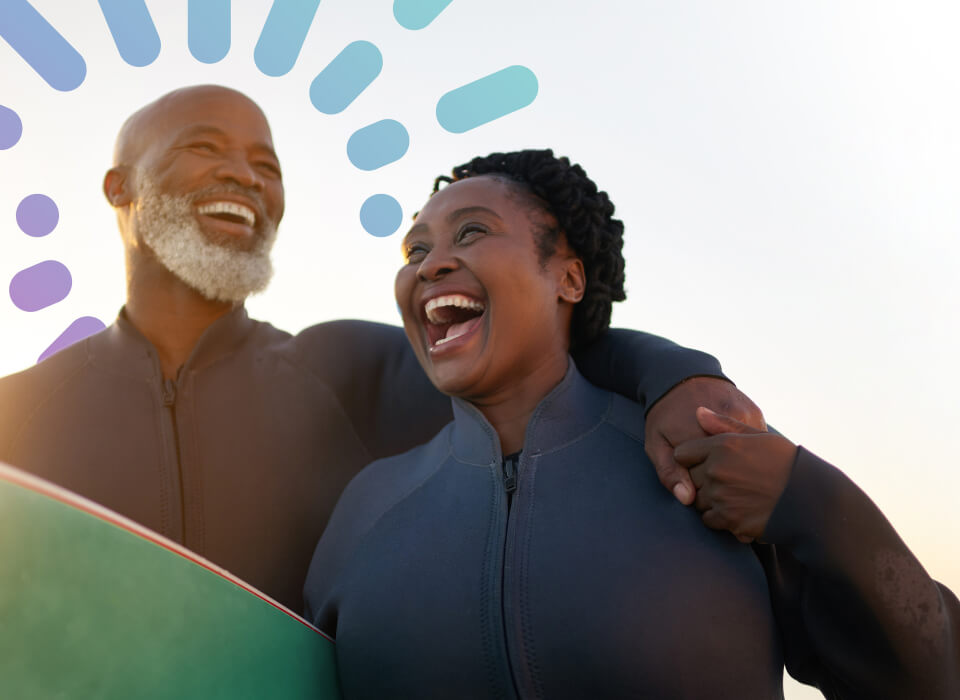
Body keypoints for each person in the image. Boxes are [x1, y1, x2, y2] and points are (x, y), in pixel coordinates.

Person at [0, 86, 759, 613]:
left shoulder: (344, 370)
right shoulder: (18, 414)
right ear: (119, 185)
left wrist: (679, 379)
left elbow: (547, 351)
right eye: (206, 148)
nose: (246, 176)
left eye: (268, 166)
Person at [304, 149, 959, 699]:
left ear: (569, 278)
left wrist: (809, 499)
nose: (431, 263)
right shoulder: (365, 510)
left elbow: (931, 678)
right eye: (415, 247)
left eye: (471, 233)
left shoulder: (700, 461)